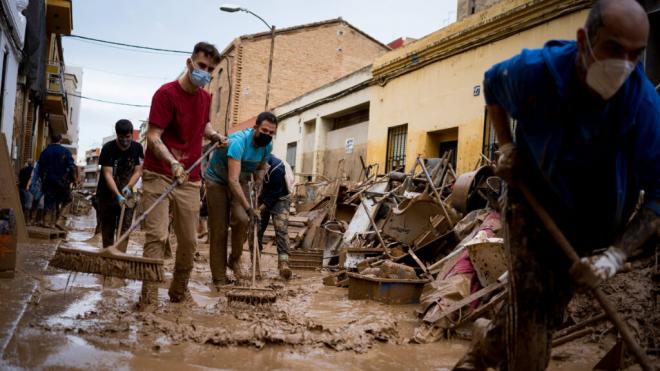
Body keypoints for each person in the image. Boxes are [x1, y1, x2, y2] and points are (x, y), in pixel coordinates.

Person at [453, 0, 660, 370]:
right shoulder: (536, 72)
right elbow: (491, 86)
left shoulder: (643, 105)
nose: (625, 64)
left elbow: (658, 198)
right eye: (614, 48)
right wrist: (506, 146)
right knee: (533, 308)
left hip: (591, 225)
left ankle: (484, 348)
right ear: (583, 41)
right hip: (531, 205)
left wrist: (614, 256)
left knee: (547, 305)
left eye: (636, 54)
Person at [140, 41, 226, 305]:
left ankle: (178, 292)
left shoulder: (205, 98)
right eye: (201, 66)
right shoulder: (165, 95)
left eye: (211, 69)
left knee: (189, 241)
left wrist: (213, 135)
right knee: (157, 236)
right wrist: (172, 162)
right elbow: (153, 137)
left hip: (190, 177)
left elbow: (204, 125)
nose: (206, 72)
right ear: (189, 63)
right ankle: (149, 296)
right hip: (159, 173)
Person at [205, 111, 277, 290]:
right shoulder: (238, 142)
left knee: (243, 220)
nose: (267, 135)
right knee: (219, 229)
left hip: (242, 180)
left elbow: (260, 167)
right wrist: (249, 207)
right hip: (218, 181)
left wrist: (259, 178)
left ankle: (234, 259)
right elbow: (232, 180)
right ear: (255, 128)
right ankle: (219, 277)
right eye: (264, 130)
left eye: (271, 133)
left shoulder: (267, 146)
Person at [96, 119, 144, 252]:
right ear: (117, 135)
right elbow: (107, 174)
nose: (125, 140)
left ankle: (120, 256)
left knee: (125, 227)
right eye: (121, 137)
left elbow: (139, 171)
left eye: (128, 137)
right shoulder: (108, 148)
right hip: (107, 194)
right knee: (108, 228)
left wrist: (129, 186)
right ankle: (108, 255)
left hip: (130, 193)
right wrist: (117, 195)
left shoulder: (137, 148)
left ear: (131, 135)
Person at [257, 154, 293, 280]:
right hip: (261, 195)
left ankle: (283, 263)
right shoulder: (252, 162)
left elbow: (274, 194)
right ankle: (255, 262)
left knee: (281, 230)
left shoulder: (277, 168)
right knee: (257, 228)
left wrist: (261, 208)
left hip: (280, 197)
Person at [37, 134, 75, 228]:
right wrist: (71, 179)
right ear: (60, 140)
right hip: (61, 181)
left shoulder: (45, 151)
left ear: (51, 139)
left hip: (48, 180)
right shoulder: (65, 151)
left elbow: (40, 167)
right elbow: (71, 167)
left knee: (49, 199)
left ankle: (46, 221)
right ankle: (58, 221)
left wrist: (42, 178)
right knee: (67, 200)